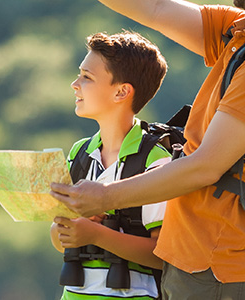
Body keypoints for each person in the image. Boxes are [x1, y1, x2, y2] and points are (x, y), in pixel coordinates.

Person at [50, 0, 245, 299]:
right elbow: (156, 8)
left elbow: (206, 166)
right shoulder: (244, 33)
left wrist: (103, 197)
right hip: (198, 266)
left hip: (220, 271)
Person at [48, 30, 171, 300]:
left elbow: (164, 254)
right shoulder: (80, 153)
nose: (74, 84)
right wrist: (68, 231)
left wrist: (96, 235)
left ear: (121, 92)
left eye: (87, 77)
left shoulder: (155, 160)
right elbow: (59, 239)